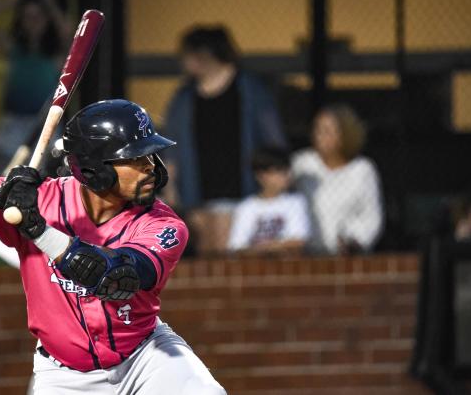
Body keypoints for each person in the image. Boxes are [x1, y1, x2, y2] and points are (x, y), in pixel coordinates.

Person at [0, 100, 226, 395]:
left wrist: (40, 232)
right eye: (134, 158)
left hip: (144, 356)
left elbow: (116, 278)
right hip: (63, 374)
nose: (150, 166)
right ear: (95, 169)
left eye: (150, 155)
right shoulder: (40, 199)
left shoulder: (164, 223)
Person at [162, 26, 286, 251]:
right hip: (197, 190)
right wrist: (172, 188)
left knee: (232, 251)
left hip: (244, 188)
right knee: (207, 252)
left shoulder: (250, 90)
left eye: (188, 55)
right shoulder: (184, 98)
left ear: (205, 54)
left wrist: (272, 183)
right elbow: (172, 147)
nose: (184, 62)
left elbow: (273, 140)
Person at [0, 0, 70, 174]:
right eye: (27, 17)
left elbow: (67, 31)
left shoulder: (57, 54)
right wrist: (17, 0)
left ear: (47, 19)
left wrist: (48, 3)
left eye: (38, 16)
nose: (33, 22)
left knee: (44, 183)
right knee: (3, 181)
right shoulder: (14, 48)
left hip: (44, 128)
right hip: (11, 129)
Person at [291, 104, 383, 255]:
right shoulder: (302, 164)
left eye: (326, 131)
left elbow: (371, 217)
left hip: (349, 258)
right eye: (317, 130)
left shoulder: (363, 169)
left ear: (345, 135)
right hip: (308, 256)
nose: (318, 136)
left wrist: (354, 241)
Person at [228, 147, 309, 252]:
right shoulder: (246, 207)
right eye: (279, 171)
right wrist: (278, 246)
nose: (286, 176)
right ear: (261, 175)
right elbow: (237, 248)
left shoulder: (296, 202)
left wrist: (258, 249)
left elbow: (298, 242)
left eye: (287, 170)